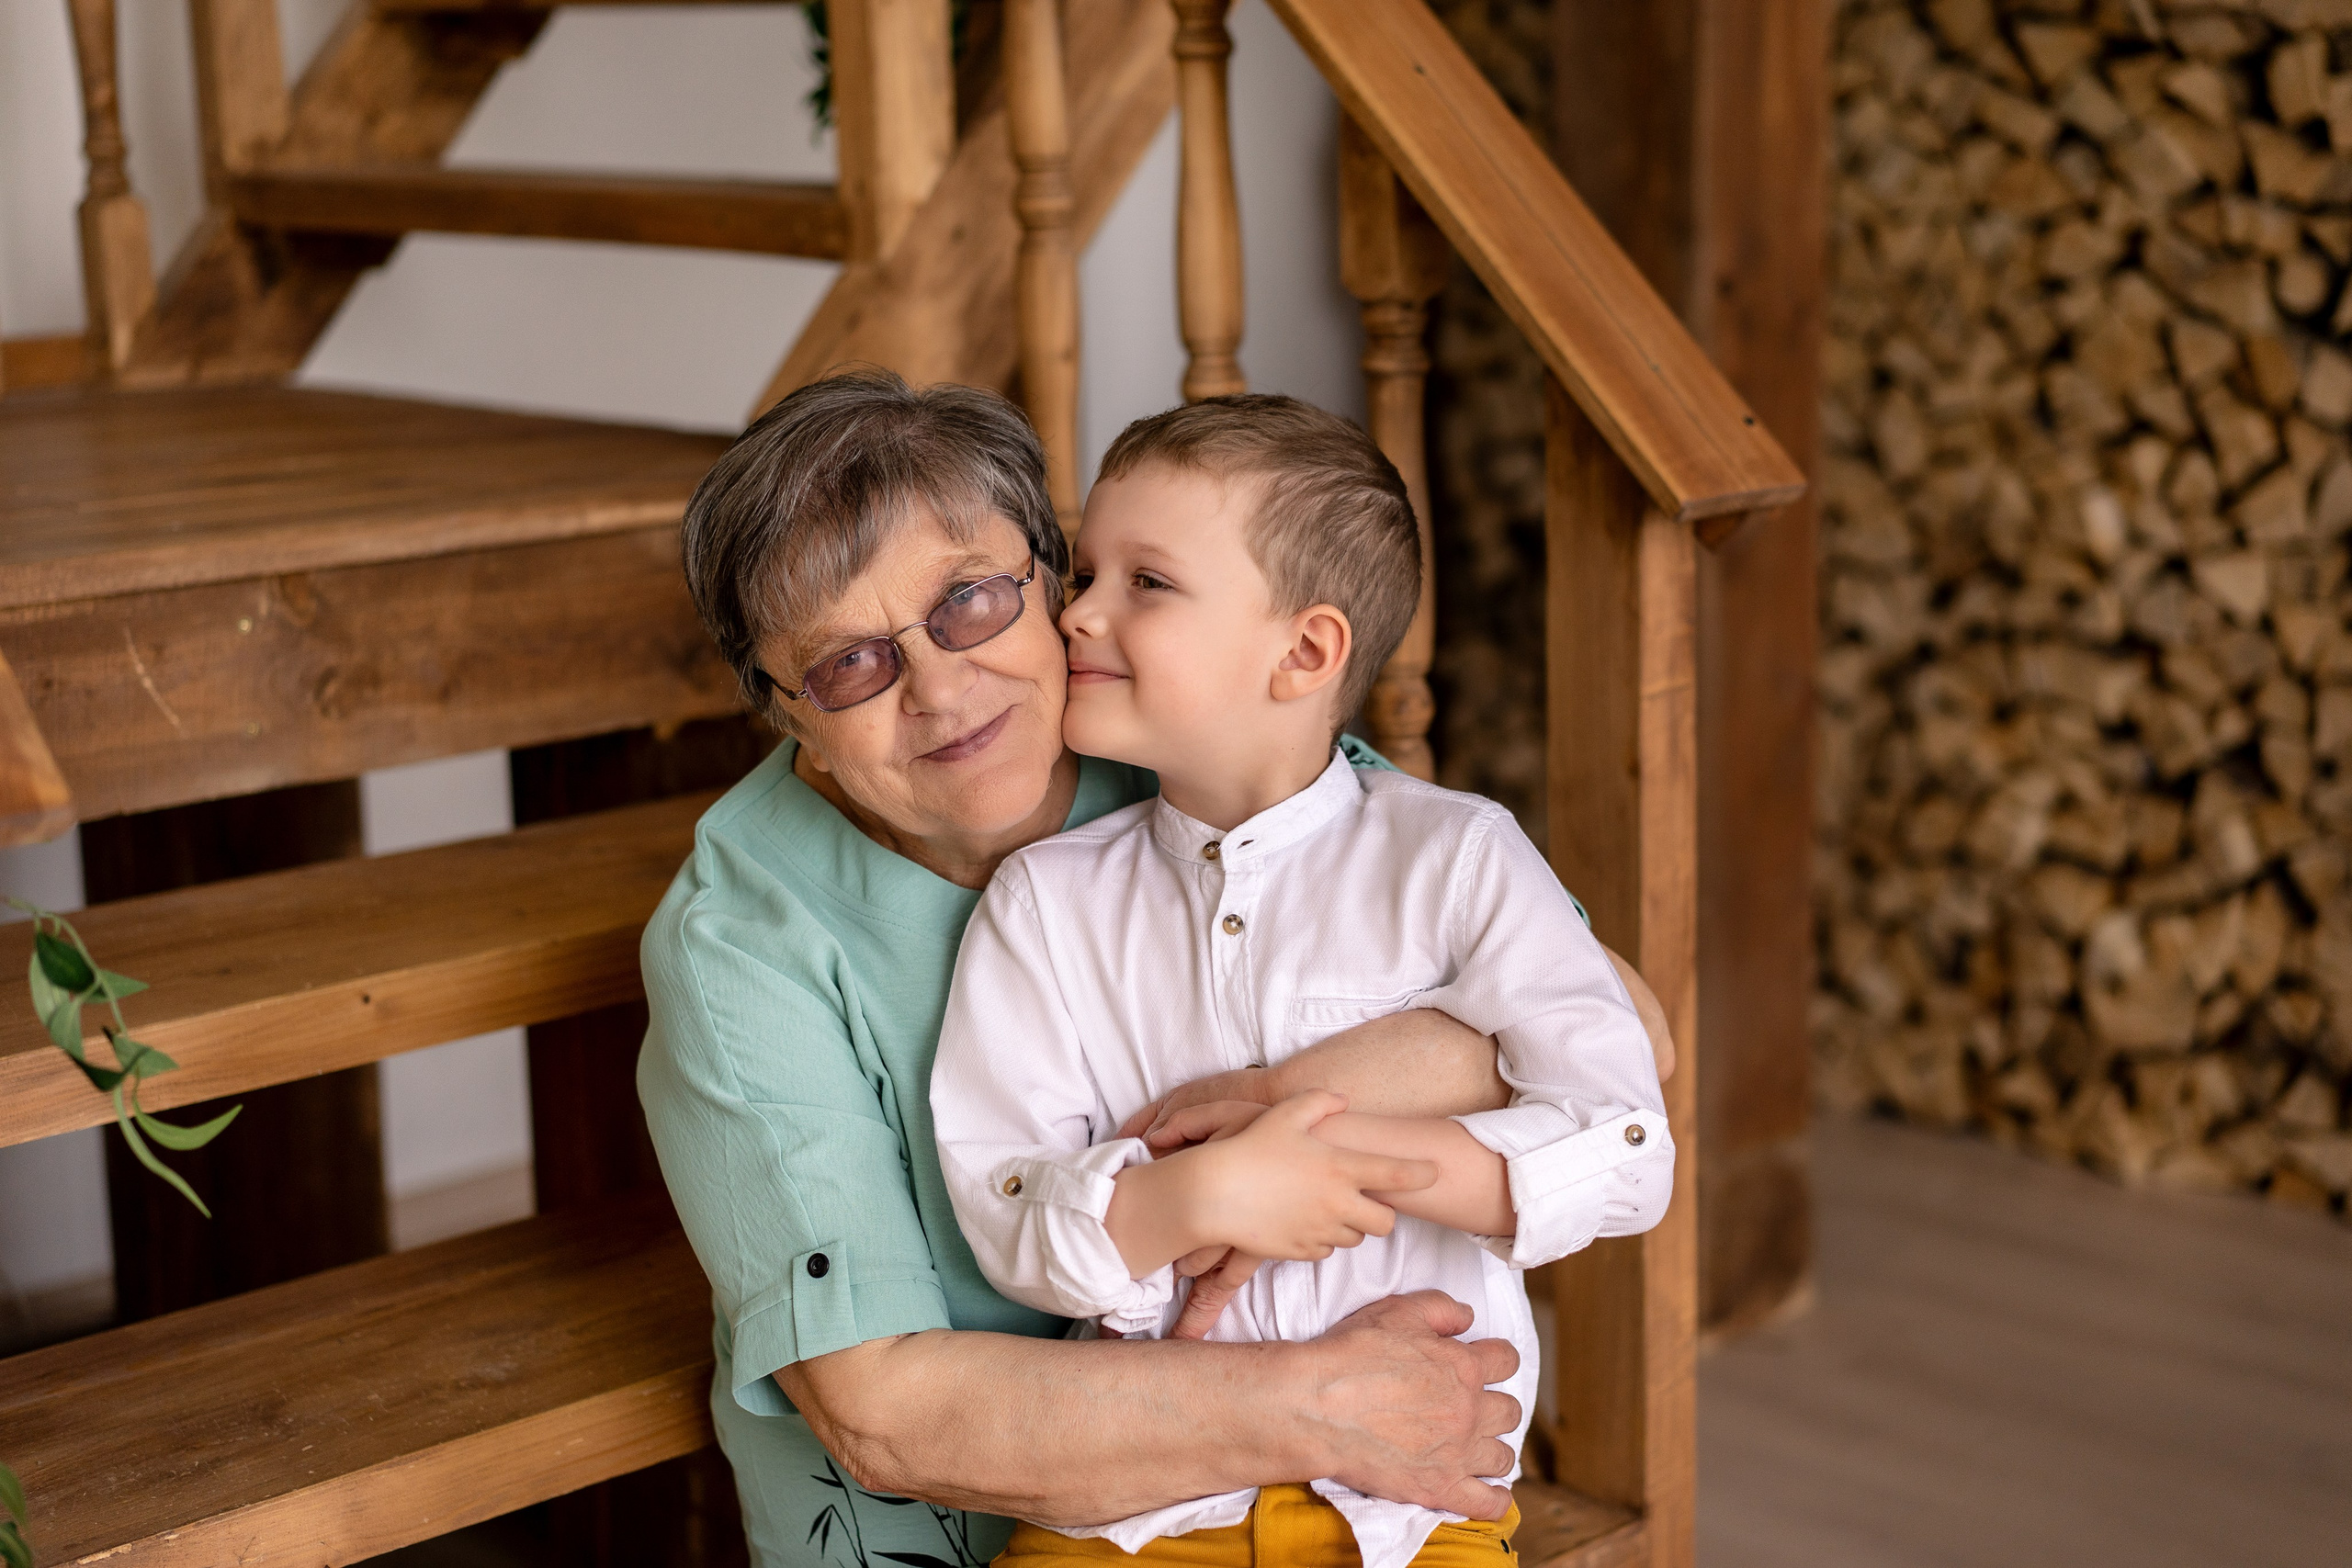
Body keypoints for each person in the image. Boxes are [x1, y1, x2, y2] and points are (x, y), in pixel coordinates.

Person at [637, 369, 1671, 1567]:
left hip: (1345, 1496)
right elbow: (885, 1416)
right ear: (788, 718)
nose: (941, 687)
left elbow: (1625, 1026)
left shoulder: (1183, 731)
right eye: (848, 665)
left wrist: (1285, 1108)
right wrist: (1314, 1394)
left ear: (1048, 581)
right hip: (1013, 1527)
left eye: (969, 599)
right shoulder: (739, 944)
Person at [929, 396, 1674, 1568]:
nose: (1076, 611)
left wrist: (1340, 1159)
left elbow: (1626, 1149)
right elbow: (1007, 1209)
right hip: (1134, 1514)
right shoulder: (1042, 905)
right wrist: (1203, 1196)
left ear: (1306, 653)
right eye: (1083, 572)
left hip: (1412, 1505)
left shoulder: (1460, 859)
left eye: (1146, 582)